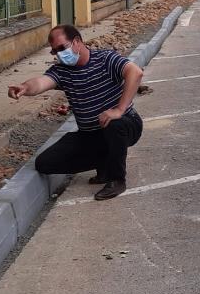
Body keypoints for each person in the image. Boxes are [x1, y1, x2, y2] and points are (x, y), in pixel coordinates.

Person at [8, 24, 145, 201]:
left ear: (77, 42)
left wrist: (119, 110)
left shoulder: (105, 59)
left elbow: (135, 72)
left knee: (115, 125)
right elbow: (42, 82)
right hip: (90, 134)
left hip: (126, 125)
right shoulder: (62, 71)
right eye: (54, 51)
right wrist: (25, 87)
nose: (58, 54)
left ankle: (116, 179)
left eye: (61, 48)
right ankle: (104, 161)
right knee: (44, 163)